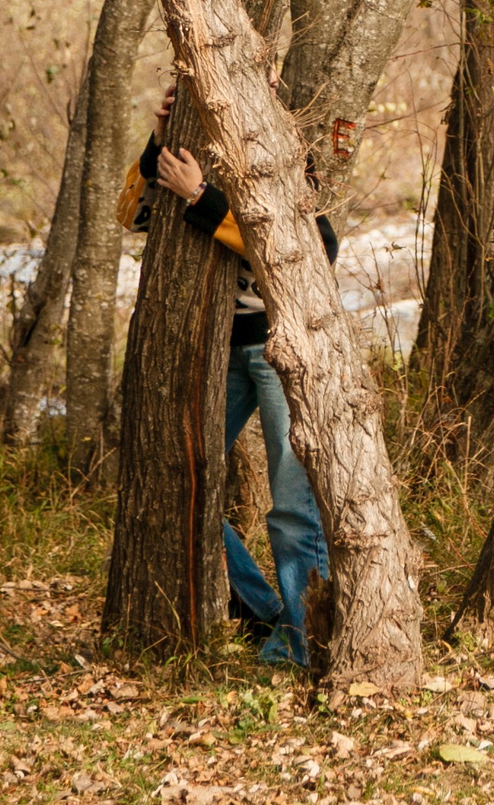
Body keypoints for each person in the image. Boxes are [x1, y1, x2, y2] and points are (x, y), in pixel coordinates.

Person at [117, 85, 336, 670]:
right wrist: (160, 144)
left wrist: (202, 198)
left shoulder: (287, 178)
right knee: (176, 482)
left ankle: (300, 644)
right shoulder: (193, 167)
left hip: (282, 351)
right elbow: (131, 215)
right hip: (216, 352)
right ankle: (265, 611)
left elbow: (305, 248)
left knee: (293, 508)